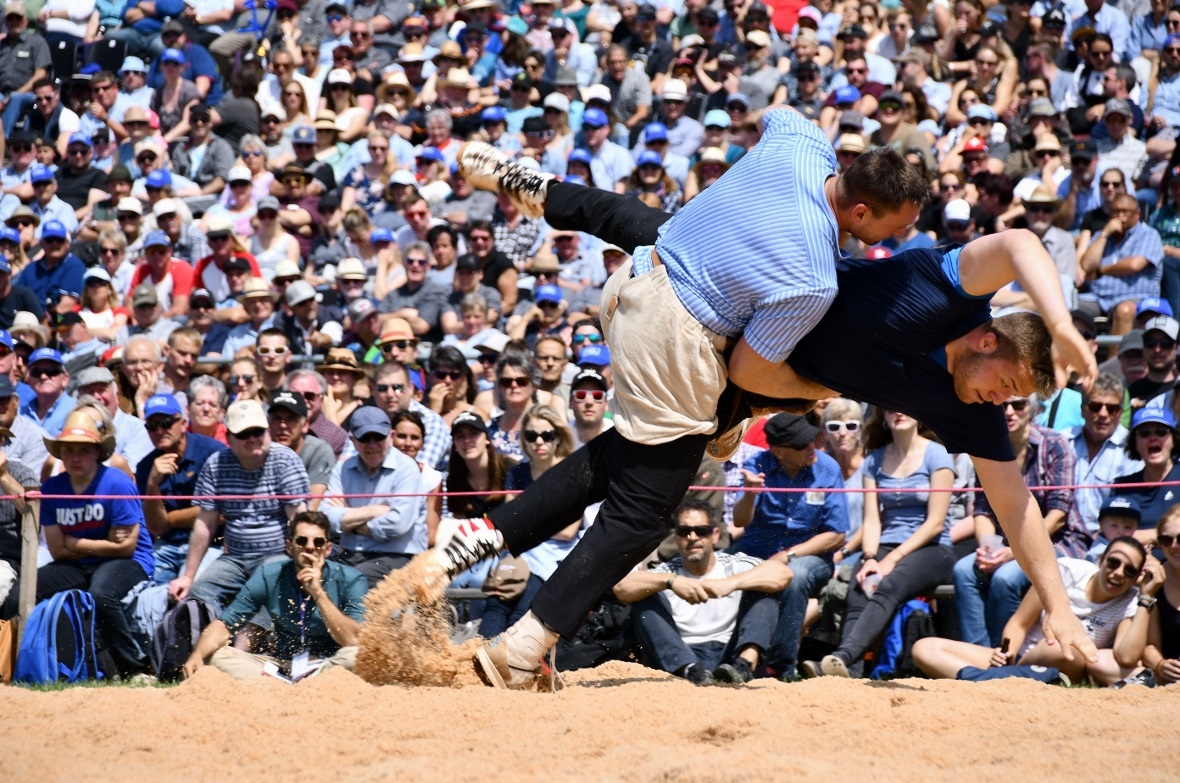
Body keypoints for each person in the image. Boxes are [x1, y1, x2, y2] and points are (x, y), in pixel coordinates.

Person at [413, 136, 1101, 688]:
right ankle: (522, 647)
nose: (1002, 402)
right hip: (740, 337)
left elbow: (1016, 507)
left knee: (651, 245)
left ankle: (479, 539)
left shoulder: (975, 413)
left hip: (735, 337)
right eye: (1007, 382)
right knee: (646, 501)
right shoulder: (943, 287)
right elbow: (1020, 244)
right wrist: (1063, 321)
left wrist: (1060, 610)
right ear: (986, 339)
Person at [802, 408, 957, 678]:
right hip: (884, 545)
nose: (899, 412)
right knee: (858, 588)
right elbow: (872, 521)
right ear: (883, 416)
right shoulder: (874, 460)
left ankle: (842, 658)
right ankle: (848, 675)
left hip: (933, 548)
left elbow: (935, 523)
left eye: (906, 406)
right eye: (891, 408)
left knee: (888, 585)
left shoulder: (937, 455)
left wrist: (890, 560)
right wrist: (870, 557)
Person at [0, 409, 154, 680]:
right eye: (69, 450)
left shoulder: (117, 483)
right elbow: (58, 550)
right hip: (76, 563)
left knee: (102, 595)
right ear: (60, 454)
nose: (76, 457)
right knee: (19, 595)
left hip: (128, 562)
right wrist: (100, 542)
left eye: (84, 450)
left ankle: (135, 669)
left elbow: (127, 548)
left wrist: (75, 542)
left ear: (97, 452)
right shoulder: (53, 488)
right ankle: (20, 667)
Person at [914, 538, 1157, 687]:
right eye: (1114, 562)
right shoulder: (1067, 571)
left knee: (1062, 645)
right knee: (924, 648)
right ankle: (997, 681)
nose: (1118, 573)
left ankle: (987, 681)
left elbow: (1126, 657)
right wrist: (1006, 653)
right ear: (1102, 560)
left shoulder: (1130, 599)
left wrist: (1146, 598)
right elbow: (1019, 623)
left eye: (1129, 570)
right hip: (1019, 660)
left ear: (1136, 577)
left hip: (1063, 663)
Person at [614, 499, 792, 686]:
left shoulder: (733, 564)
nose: (692, 537)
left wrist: (731, 583)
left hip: (730, 656)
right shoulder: (666, 572)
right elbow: (621, 587)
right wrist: (672, 581)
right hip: (683, 657)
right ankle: (691, 671)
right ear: (676, 537)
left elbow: (783, 574)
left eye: (701, 531)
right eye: (684, 531)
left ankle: (744, 667)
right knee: (645, 596)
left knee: (764, 591)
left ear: (715, 535)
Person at [729, 412, 849, 681]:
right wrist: (749, 495)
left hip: (811, 556)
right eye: (802, 444)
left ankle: (780, 667)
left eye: (812, 439)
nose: (812, 447)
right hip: (756, 552)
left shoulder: (827, 468)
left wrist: (788, 555)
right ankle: (706, 658)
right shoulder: (756, 465)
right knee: (712, 569)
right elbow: (739, 521)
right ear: (779, 451)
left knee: (796, 575)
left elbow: (837, 535)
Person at [182, 511, 367, 682]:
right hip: (280, 664)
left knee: (355, 656)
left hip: (328, 664)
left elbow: (352, 641)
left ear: (327, 549)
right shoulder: (270, 575)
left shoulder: (351, 580)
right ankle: (281, 685)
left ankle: (281, 686)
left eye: (318, 542)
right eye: (302, 541)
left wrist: (318, 594)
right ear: (289, 546)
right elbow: (226, 623)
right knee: (217, 656)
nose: (310, 547)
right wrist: (197, 655)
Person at [167, 399, 311, 608]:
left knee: (265, 589)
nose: (252, 439)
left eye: (257, 432)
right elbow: (205, 524)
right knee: (199, 593)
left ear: (268, 432)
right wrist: (188, 577)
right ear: (229, 438)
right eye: (244, 434)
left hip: (277, 555)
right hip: (234, 558)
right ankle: (211, 629)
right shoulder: (216, 465)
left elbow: (298, 519)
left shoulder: (285, 460)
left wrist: (303, 565)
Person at [324, 407, 429, 589]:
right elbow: (327, 518)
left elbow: (398, 524)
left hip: (399, 557)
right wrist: (374, 511)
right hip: (350, 553)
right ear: (353, 441)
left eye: (378, 437)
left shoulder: (407, 468)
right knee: (316, 574)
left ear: (391, 436)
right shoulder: (342, 469)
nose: (372, 445)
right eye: (365, 438)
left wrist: (350, 519)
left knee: (351, 579)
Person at [136, 393, 226, 584]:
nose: (159, 430)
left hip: (211, 544)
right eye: (152, 426)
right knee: (143, 590)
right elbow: (157, 527)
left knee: (189, 590)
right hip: (168, 545)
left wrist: (170, 519)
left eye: (166, 423)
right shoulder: (146, 467)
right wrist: (153, 484)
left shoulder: (213, 453)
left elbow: (221, 513)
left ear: (183, 424)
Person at [1144, 507, 1180, 685]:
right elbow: (1148, 644)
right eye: (1166, 540)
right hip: (1171, 678)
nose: (1174, 546)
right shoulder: (1155, 581)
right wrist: (1160, 664)